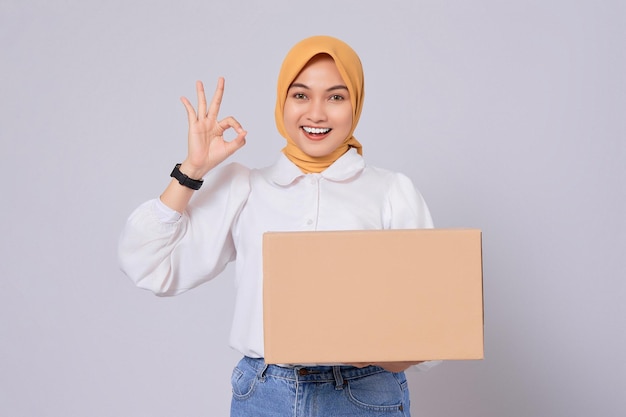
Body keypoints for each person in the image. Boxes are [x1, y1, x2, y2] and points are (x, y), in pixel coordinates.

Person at [119, 35, 437, 417]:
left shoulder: (391, 191)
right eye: (301, 95)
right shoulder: (245, 187)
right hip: (266, 395)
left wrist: (395, 353)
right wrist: (193, 170)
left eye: (336, 97)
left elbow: (431, 320)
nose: (316, 114)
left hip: (363, 394)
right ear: (282, 102)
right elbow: (150, 266)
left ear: (357, 103)